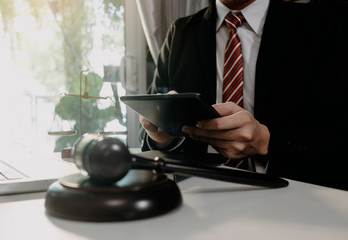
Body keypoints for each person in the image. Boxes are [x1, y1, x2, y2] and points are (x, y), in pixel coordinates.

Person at [139, 0, 348, 190]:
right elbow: (148, 134)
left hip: (296, 199)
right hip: (195, 199)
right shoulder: (179, 33)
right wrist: (162, 139)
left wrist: (267, 142)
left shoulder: (325, 24)